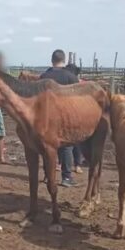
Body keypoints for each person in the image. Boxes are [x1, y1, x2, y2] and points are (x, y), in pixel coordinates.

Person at [40, 49, 79, 187]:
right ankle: (66, 177)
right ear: (64, 60)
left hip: (47, 117)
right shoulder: (71, 77)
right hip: (66, 117)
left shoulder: (44, 76)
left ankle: (48, 175)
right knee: (67, 147)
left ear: (52, 60)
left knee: (47, 147)